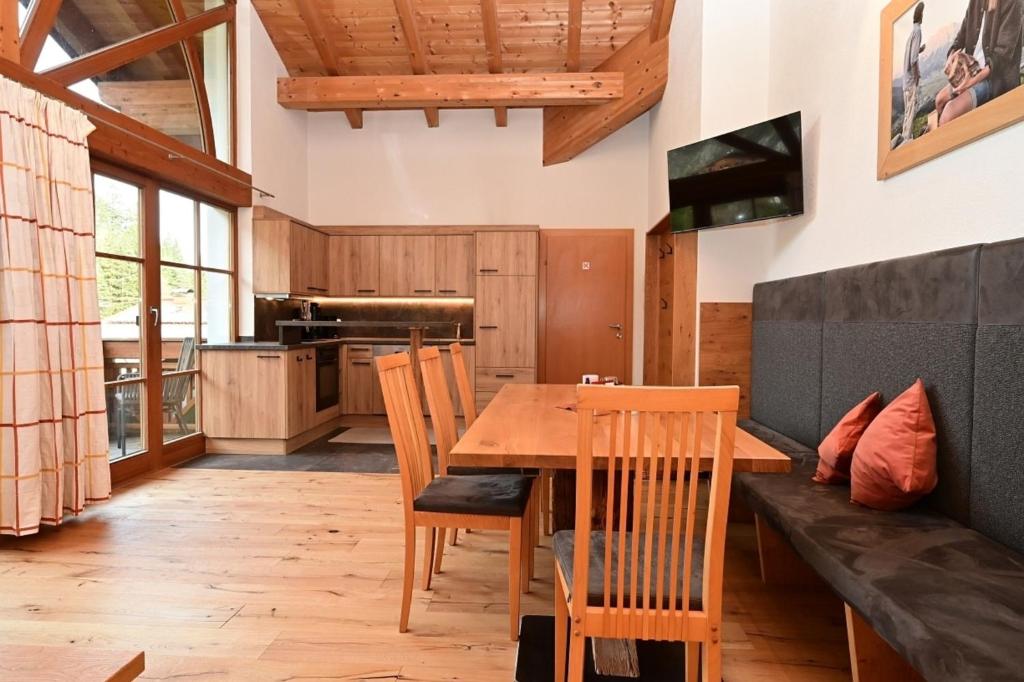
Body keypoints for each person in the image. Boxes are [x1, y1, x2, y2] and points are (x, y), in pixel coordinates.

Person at [935, 0, 1023, 126]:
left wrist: (971, 82)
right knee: (939, 100)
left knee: (949, 114)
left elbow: (1002, 56)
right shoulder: (975, 2)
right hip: (973, 71)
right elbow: (961, 37)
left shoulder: (1014, 2)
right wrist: (952, 55)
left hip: (995, 78)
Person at [902, 3, 927, 144]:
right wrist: (917, 74)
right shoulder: (918, 32)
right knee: (911, 113)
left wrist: (920, 49)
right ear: (921, 15)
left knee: (907, 113)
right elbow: (913, 60)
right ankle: (907, 141)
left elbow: (911, 55)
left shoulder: (912, 33)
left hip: (906, 82)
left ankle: (905, 139)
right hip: (911, 80)